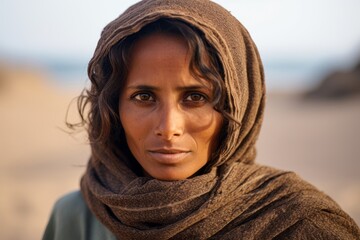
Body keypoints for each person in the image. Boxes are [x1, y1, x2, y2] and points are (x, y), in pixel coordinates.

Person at [43, 0, 360, 239]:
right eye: (143, 97)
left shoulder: (298, 221)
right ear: (112, 107)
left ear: (240, 107)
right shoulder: (76, 218)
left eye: (195, 97)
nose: (168, 128)